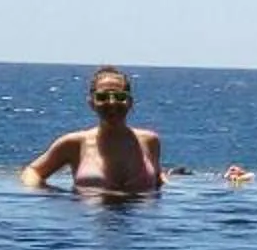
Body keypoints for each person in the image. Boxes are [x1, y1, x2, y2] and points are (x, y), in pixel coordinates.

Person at [20, 66, 165, 193]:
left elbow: (158, 180)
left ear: (130, 102)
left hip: (141, 223)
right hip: (89, 221)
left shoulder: (149, 141)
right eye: (103, 97)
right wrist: (50, 195)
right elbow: (33, 172)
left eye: (119, 96)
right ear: (92, 103)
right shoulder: (74, 143)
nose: (112, 102)